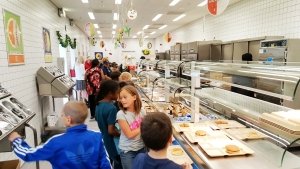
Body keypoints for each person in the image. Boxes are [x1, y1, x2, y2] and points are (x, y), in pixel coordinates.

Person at [8, 101, 112, 169]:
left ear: (68, 119)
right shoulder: (97, 137)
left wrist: (16, 140)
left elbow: (29, 154)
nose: (61, 117)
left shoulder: (56, 142)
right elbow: (106, 164)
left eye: (62, 115)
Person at [116, 85, 146, 169]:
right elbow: (129, 134)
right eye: (121, 98)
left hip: (142, 148)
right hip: (128, 152)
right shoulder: (121, 114)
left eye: (125, 97)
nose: (122, 100)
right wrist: (143, 125)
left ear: (134, 97)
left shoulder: (142, 111)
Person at [96, 80, 122, 169]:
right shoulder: (112, 108)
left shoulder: (98, 104)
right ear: (111, 93)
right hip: (112, 142)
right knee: (116, 163)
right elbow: (111, 130)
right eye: (118, 92)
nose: (119, 95)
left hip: (103, 138)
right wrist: (121, 134)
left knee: (109, 162)